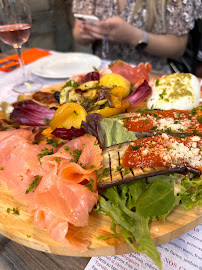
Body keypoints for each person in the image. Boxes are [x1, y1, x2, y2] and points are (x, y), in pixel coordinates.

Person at [72, 0, 202, 73]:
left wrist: (133, 36)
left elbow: (177, 49)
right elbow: (77, 34)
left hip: (154, 76)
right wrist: (87, 32)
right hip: (104, 73)